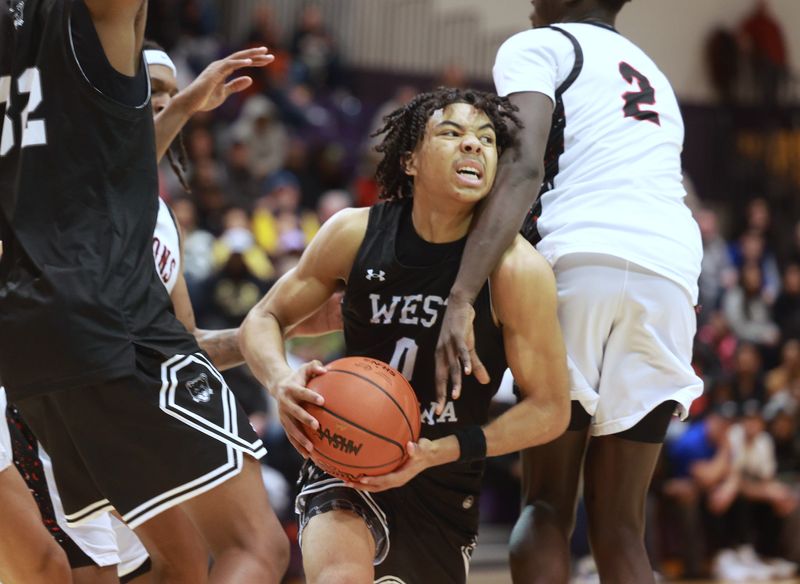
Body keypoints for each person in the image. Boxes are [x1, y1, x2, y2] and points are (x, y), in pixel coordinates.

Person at [0, 2, 289, 582]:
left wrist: (183, 105)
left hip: (27, 340)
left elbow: (105, 161)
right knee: (256, 545)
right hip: (106, 313)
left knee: (175, 563)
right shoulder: (92, 22)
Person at [239, 87, 571, 584]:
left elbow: (550, 410)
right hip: (344, 452)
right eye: (452, 133)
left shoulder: (517, 271)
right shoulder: (354, 232)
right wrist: (280, 380)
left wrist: (439, 451)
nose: (472, 146)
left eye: (486, 139)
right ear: (410, 160)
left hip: (443, 477)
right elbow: (263, 318)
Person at [434, 1, 704, 583]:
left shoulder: (541, 46)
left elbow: (523, 167)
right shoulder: (653, 72)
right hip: (673, 273)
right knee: (622, 527)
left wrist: (461, 294)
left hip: (582, 257)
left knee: (547, 504)